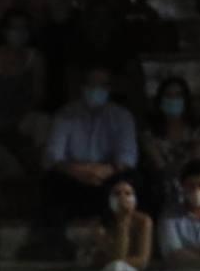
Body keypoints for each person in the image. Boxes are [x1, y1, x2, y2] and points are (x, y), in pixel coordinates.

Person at [25, 65, 139, 259]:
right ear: (83, 87)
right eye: (92, 84)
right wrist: (79, 171)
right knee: (50, 181)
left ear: (110, 89)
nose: (97, 90)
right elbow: (52, 156)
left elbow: (127, 157)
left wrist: (104, 170)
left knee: (128, 181)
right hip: (73, 179)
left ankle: (115, 247)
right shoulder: (65, 115)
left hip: (107, 179)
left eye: (102, 85)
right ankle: (54, 248)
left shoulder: (122, 117)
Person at [0, 9, 51, 177]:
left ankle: (40, 174)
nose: (18, 33)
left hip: (23, 117)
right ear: (5, 31)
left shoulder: (35, 59)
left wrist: (19, 116)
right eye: (14, 28)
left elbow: (38, 95)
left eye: (23, 29)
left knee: (42, 123)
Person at [139, 76, 200, 214]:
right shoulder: (149, 130)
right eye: (168, 95)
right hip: (160, 182)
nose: (173, 99)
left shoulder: (196, 129)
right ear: (160, 99)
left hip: (189, 180)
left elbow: (197, 161)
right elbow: (159, 165)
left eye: (178, 95)